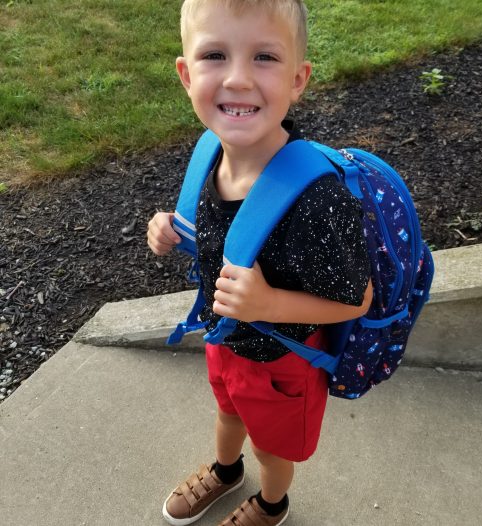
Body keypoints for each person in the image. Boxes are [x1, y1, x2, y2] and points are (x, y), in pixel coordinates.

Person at [147, 1, 372, 524]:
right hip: (223, 339)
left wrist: (267, 302)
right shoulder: (211, 152)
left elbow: (357, 300)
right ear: (186, 74)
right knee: (227, 413)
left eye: (264, 57)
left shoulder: (317, 199)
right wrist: (172, 228)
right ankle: (226, 471)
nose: (238, 79)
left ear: (297, 79)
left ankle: (273, 504)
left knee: (272, 450)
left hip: (282, 361)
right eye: (215, 55)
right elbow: (224, 235)